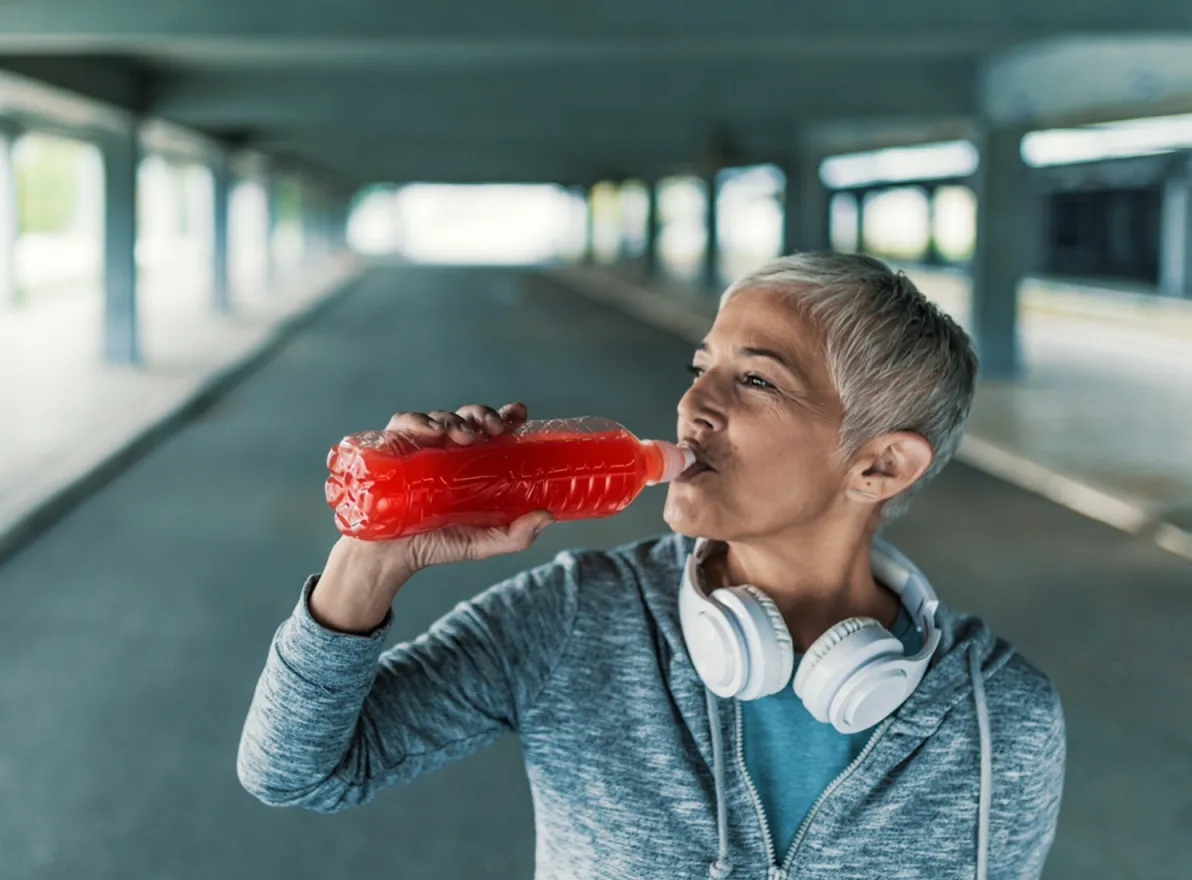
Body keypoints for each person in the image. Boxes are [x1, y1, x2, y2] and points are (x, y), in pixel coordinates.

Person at [237, 252, 1066, 879]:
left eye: (755, 381)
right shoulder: (573, 617)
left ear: (880, 467)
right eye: (700, 367)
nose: (694, 406)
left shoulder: (1002, 720)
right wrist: (375, 557)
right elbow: (297, 771)